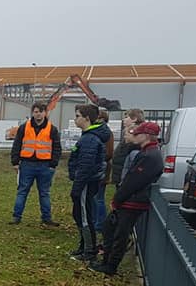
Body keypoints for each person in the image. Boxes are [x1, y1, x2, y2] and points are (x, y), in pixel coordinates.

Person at [91, 121, 164, 275]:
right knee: (110, 229)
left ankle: (110, 266)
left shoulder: (150, 156)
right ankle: (107, 261)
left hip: (133, 201)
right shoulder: (149, 153)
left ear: (145, 136)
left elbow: (133, 181)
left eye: (137, 133)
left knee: (119, 234)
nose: (134, 136)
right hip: (132, 199)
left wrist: (117, 200)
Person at [9, 102, 62, 226]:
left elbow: (56, 148)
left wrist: (53, 164)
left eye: (41, 111)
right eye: (36, 111)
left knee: (44, 193)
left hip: (45, 166)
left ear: (45, 113)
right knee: (22, 191)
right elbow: (17, 144)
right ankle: (16, 217)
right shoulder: (24, 127)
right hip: (27, 164)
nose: (38, 114)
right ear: (32, 113)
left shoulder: (52, 129)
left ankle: (46, 218)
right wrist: (15, 162)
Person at [68, 104, 109, 260]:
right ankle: (84, 246)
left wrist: (77, 187)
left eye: (77, 116)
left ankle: (89, 251)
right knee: (79, 213)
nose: (75, 119)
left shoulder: (90, 139)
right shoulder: (87, 136)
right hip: (85, 181)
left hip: (86, 182)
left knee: (85, 215)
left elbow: (86, 165)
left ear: (86, 118)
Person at [110, 108, 145, 192]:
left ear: (134, 119)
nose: (123, 119)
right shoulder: (128, 131)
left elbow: (129, 149)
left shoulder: (135, 133)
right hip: (120, 169)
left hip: (125, 172)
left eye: (126, 117)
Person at [93, 109, 115, 231]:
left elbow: (108, 153)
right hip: (102, 168)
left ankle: (100, 224)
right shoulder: (104, 132)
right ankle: (97, 222)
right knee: (97, 197)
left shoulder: (105, 133)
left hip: (101, 169)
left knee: (98, 198)